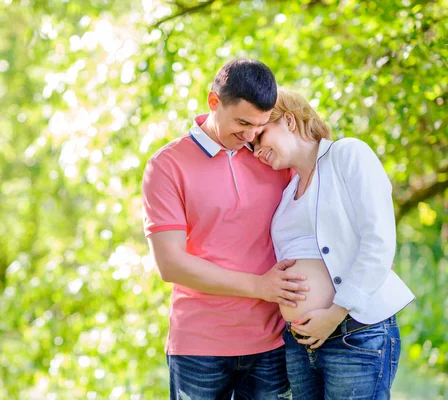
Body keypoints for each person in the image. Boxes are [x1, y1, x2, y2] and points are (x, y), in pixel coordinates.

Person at [142, 60, 308, 399]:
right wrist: (260, 286)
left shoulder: (272, 157)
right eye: (242, 122)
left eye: (259, 125)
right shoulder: (167, 165)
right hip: (199, 345)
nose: (249, 136)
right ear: (214, 102)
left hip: (273, 342)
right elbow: (170, 264)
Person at [252, 88, 415, 399]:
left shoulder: (347, 154)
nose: (256, 148)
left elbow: (379, 240)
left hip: (353, 333)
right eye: (251, 145)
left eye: (261, 135)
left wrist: (335, 312)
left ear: (288, 120)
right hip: (301, 345)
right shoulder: (287, 193)